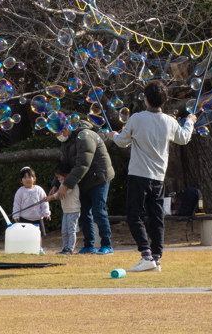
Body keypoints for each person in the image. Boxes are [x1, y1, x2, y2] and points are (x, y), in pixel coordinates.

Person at [108, 80, 195, 272]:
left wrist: (113, 136)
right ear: (163, 100)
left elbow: (122, 142)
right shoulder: (170, 121)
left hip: (139, 175)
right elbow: (184, 138)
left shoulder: (137, 118)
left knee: (134, 214)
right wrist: (189, 121)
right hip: (158, 178)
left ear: (146, 99)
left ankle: (146, 255)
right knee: (156, 216)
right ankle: (156, 258)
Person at [49, 119, 115, 254]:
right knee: (84, 213)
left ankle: (106, 245)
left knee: (98, 211)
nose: (56, 137)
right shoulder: (67, 141)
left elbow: (82, 164)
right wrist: (56, 184)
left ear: (65, 129)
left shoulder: (85, 136)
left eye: (57, 133)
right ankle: (89, 245)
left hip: (98, 177)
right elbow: (63, 165)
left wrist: (65, 185)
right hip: (83, 181)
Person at [50, 163, 81, 255]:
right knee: (64, 231)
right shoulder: (62, 185)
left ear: (66, 175)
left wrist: (50, 198)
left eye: (59, 177)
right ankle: (65, 248)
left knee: (71, 231)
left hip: (73, 211)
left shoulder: (71, 185)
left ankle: (70, 249)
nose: (58, 179)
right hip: (66, 211)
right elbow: (58, 192)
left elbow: (59, 195)